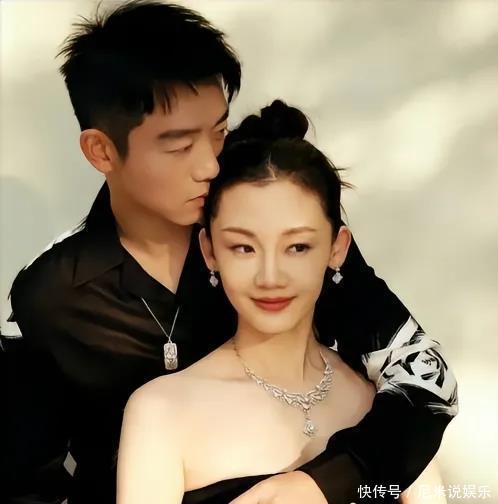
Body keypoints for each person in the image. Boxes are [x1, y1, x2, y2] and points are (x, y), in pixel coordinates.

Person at [1, 2, 457, 504]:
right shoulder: (49, 294)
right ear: (101, 151)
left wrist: (319, 484)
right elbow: (26, 479)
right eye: (179, 146)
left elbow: (425, 382)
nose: (210, 166)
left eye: (217, 133)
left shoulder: (271, 224)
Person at [117, 99, 449, 504]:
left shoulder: (390, 407)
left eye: (297, 247)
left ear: (337, 248)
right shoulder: (161, 412)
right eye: (243, 248)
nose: (270, 277)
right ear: (210, 251)